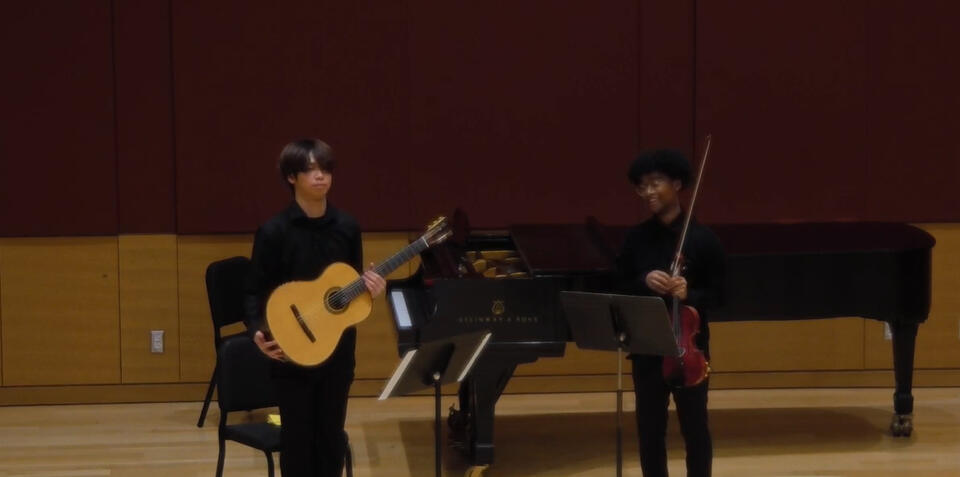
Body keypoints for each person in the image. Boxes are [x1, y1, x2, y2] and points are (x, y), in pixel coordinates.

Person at [243, 138, 385, 476]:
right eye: (310, 170)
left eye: (325, 169)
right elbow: (253, 292)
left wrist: (371, 289)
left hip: (337, 352)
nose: (320, 176)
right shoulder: (273, 232)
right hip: (291, 353)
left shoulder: (347, 227)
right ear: (291, 177)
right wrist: (256, 332)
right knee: (298, 440)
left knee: (331, 438)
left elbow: (349, 292)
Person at [617, 149, 724, 477]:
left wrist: (688, 293)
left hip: (689, 350)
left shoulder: (703, 240)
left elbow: (722, 296)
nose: (648, 192)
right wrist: (643, 279)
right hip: (648, 347)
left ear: (677, 184)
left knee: (695, 430)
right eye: (642, 186)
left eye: (655, 183)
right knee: (650, 431)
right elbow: (618, 285)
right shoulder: (636, 239)